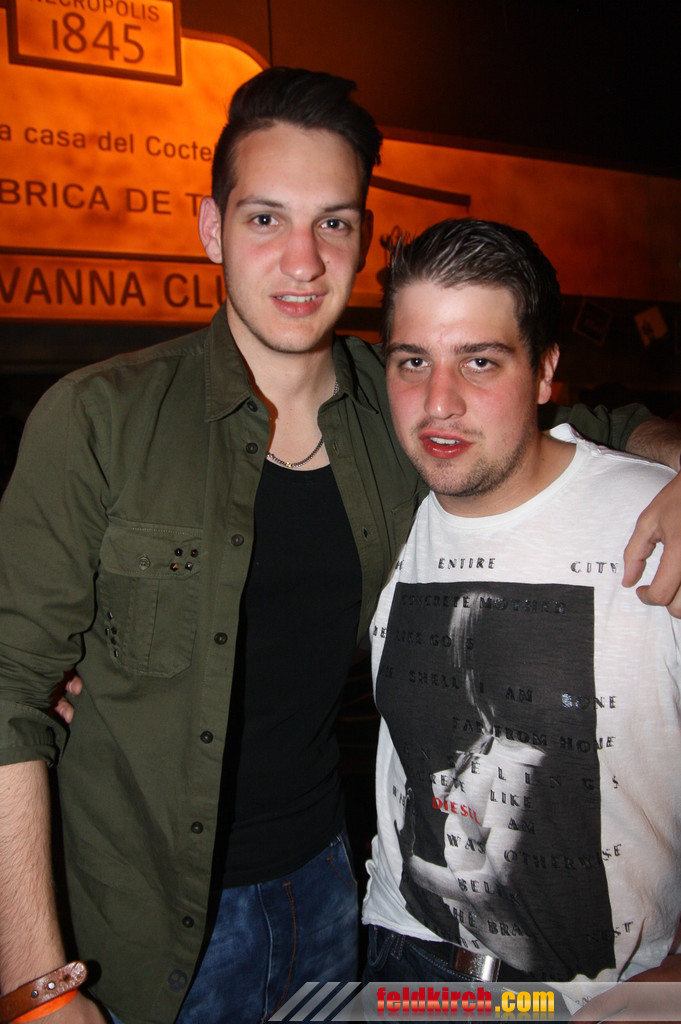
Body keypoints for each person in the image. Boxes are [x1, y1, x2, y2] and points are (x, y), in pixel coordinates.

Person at [0, 70, 678, 1024]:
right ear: (210, 228)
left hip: (331, 898)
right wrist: (36, 987)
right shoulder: (99, 419)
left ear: (362, 235)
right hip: (139, 923)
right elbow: (7, 693)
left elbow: (585, 427)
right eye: (264, 219)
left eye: (333, 223)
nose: (302, 261)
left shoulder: (401, 410)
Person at [362, 217, 681, 1016]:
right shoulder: (388, 514)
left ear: (543, 372)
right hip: (404, 962)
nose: (438, 402)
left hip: (599, 996)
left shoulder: (653, 520)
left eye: (480, 360)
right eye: (412, 361)